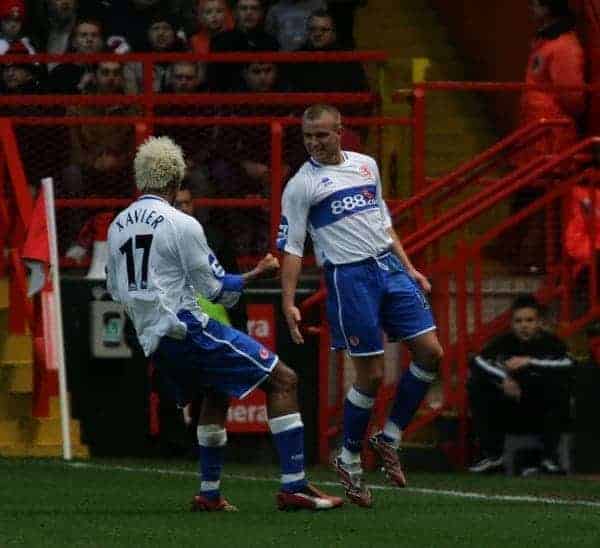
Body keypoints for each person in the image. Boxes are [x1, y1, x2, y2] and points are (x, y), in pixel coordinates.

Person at [106, 136, 343, 512]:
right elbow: (218, 291)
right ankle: (294, 486)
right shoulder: (181, 223)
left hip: (153, 339)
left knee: (215, 392)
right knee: (284, 379)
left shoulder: (118, 226)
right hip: (188, 329)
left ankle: (210, 493)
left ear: (141, 177)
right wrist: (258, 273)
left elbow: (115, 289)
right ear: (175, 178)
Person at [279, 104, 444, 507]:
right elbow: (293, 247)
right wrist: (288, 302)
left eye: (321, 135)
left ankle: (389, 437)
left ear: (340, 131)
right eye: (307, 137)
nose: (314, 144)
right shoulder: (301, 185)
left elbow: (384, 223)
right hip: (349, 278)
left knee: (431, 352)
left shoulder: (366, 165)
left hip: (388, 268)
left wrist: (411, 269)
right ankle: (349, 457)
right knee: (371, 375)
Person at [511, 0, 586, 271]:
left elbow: (573, 96)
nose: (531, 8)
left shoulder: (563, 45)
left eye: (536, 3)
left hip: (551, 140)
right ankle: (529, 259)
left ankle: (537, 261)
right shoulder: (546, 42)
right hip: (535, 140)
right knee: (532, 200)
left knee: (544, 203)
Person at [468, 294, 574, 475]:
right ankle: (494, 457)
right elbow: (477, 361)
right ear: (512, 323)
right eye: (518, 321)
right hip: (511, 408)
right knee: (477, 385)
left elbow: (568, 364)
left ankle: (549, 461)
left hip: (541, 409)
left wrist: (529, 362)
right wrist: (504, 379)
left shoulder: (551, 343)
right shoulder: (504, 342)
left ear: (539, 322)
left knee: (559, 389)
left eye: (529, 320)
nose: (524, 325)